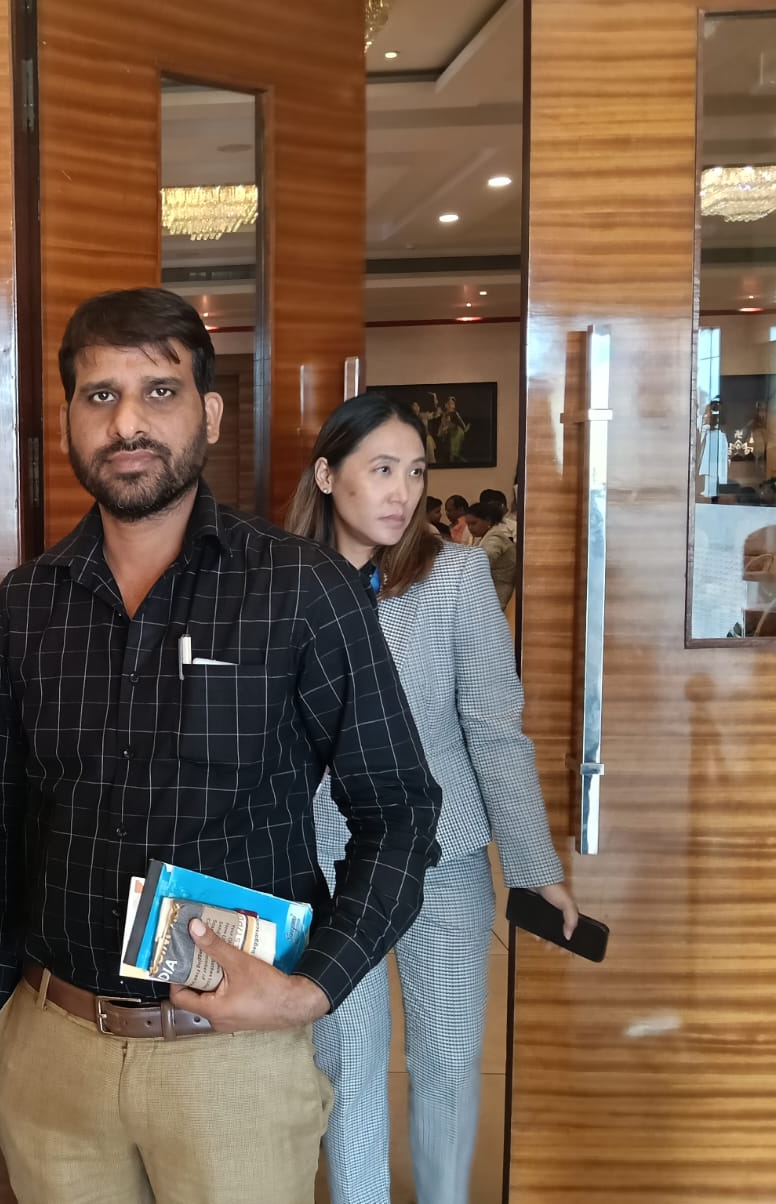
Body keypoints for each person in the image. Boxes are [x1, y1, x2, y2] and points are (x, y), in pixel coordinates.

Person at [0, 288, 443, 1204]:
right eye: (100, 395)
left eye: (160, 392)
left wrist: (314, 988)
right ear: (68, 419)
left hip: (230, 1063)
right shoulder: (28, 604)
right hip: (52, 1056)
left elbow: (399, 810)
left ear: (211, 415)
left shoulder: (301, 590)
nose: (128, 424)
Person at [283, 393, 578, 1204]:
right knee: (348, 1064)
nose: (402, 492)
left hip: (441, 859)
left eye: (415, 473)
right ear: (327, 475)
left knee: (449, 1061)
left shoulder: (455, 577)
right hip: (327, 865)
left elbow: (495, 731)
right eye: (382, 469)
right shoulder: (282, 582)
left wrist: (536, 869)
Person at [464, 501, 516, 609]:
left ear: (488, 520)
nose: (470, 528)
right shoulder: (483, 537)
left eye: (474, 523)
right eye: (468, 524)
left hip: (500, 593)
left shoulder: (495, 538)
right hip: (490, 591)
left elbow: (482, 561)